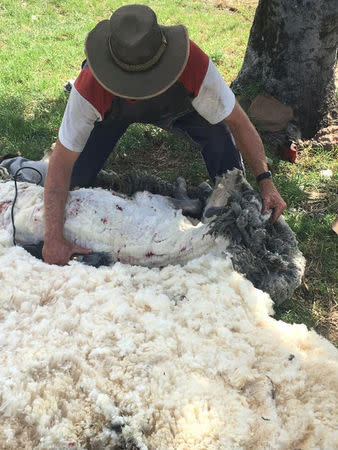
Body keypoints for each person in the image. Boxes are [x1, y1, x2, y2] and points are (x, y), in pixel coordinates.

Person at [43, 4, 286, 265]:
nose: (139, 92)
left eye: (146, 81)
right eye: (129, 84)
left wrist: (265, 181)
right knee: (75, 175)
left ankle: (230, 216)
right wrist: (53, 238)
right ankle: (35, 174)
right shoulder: (90, 86)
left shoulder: (194, 65)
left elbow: (238, 122)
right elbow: (62, 159)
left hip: (178, 108)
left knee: (229, 177)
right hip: (112, 113)